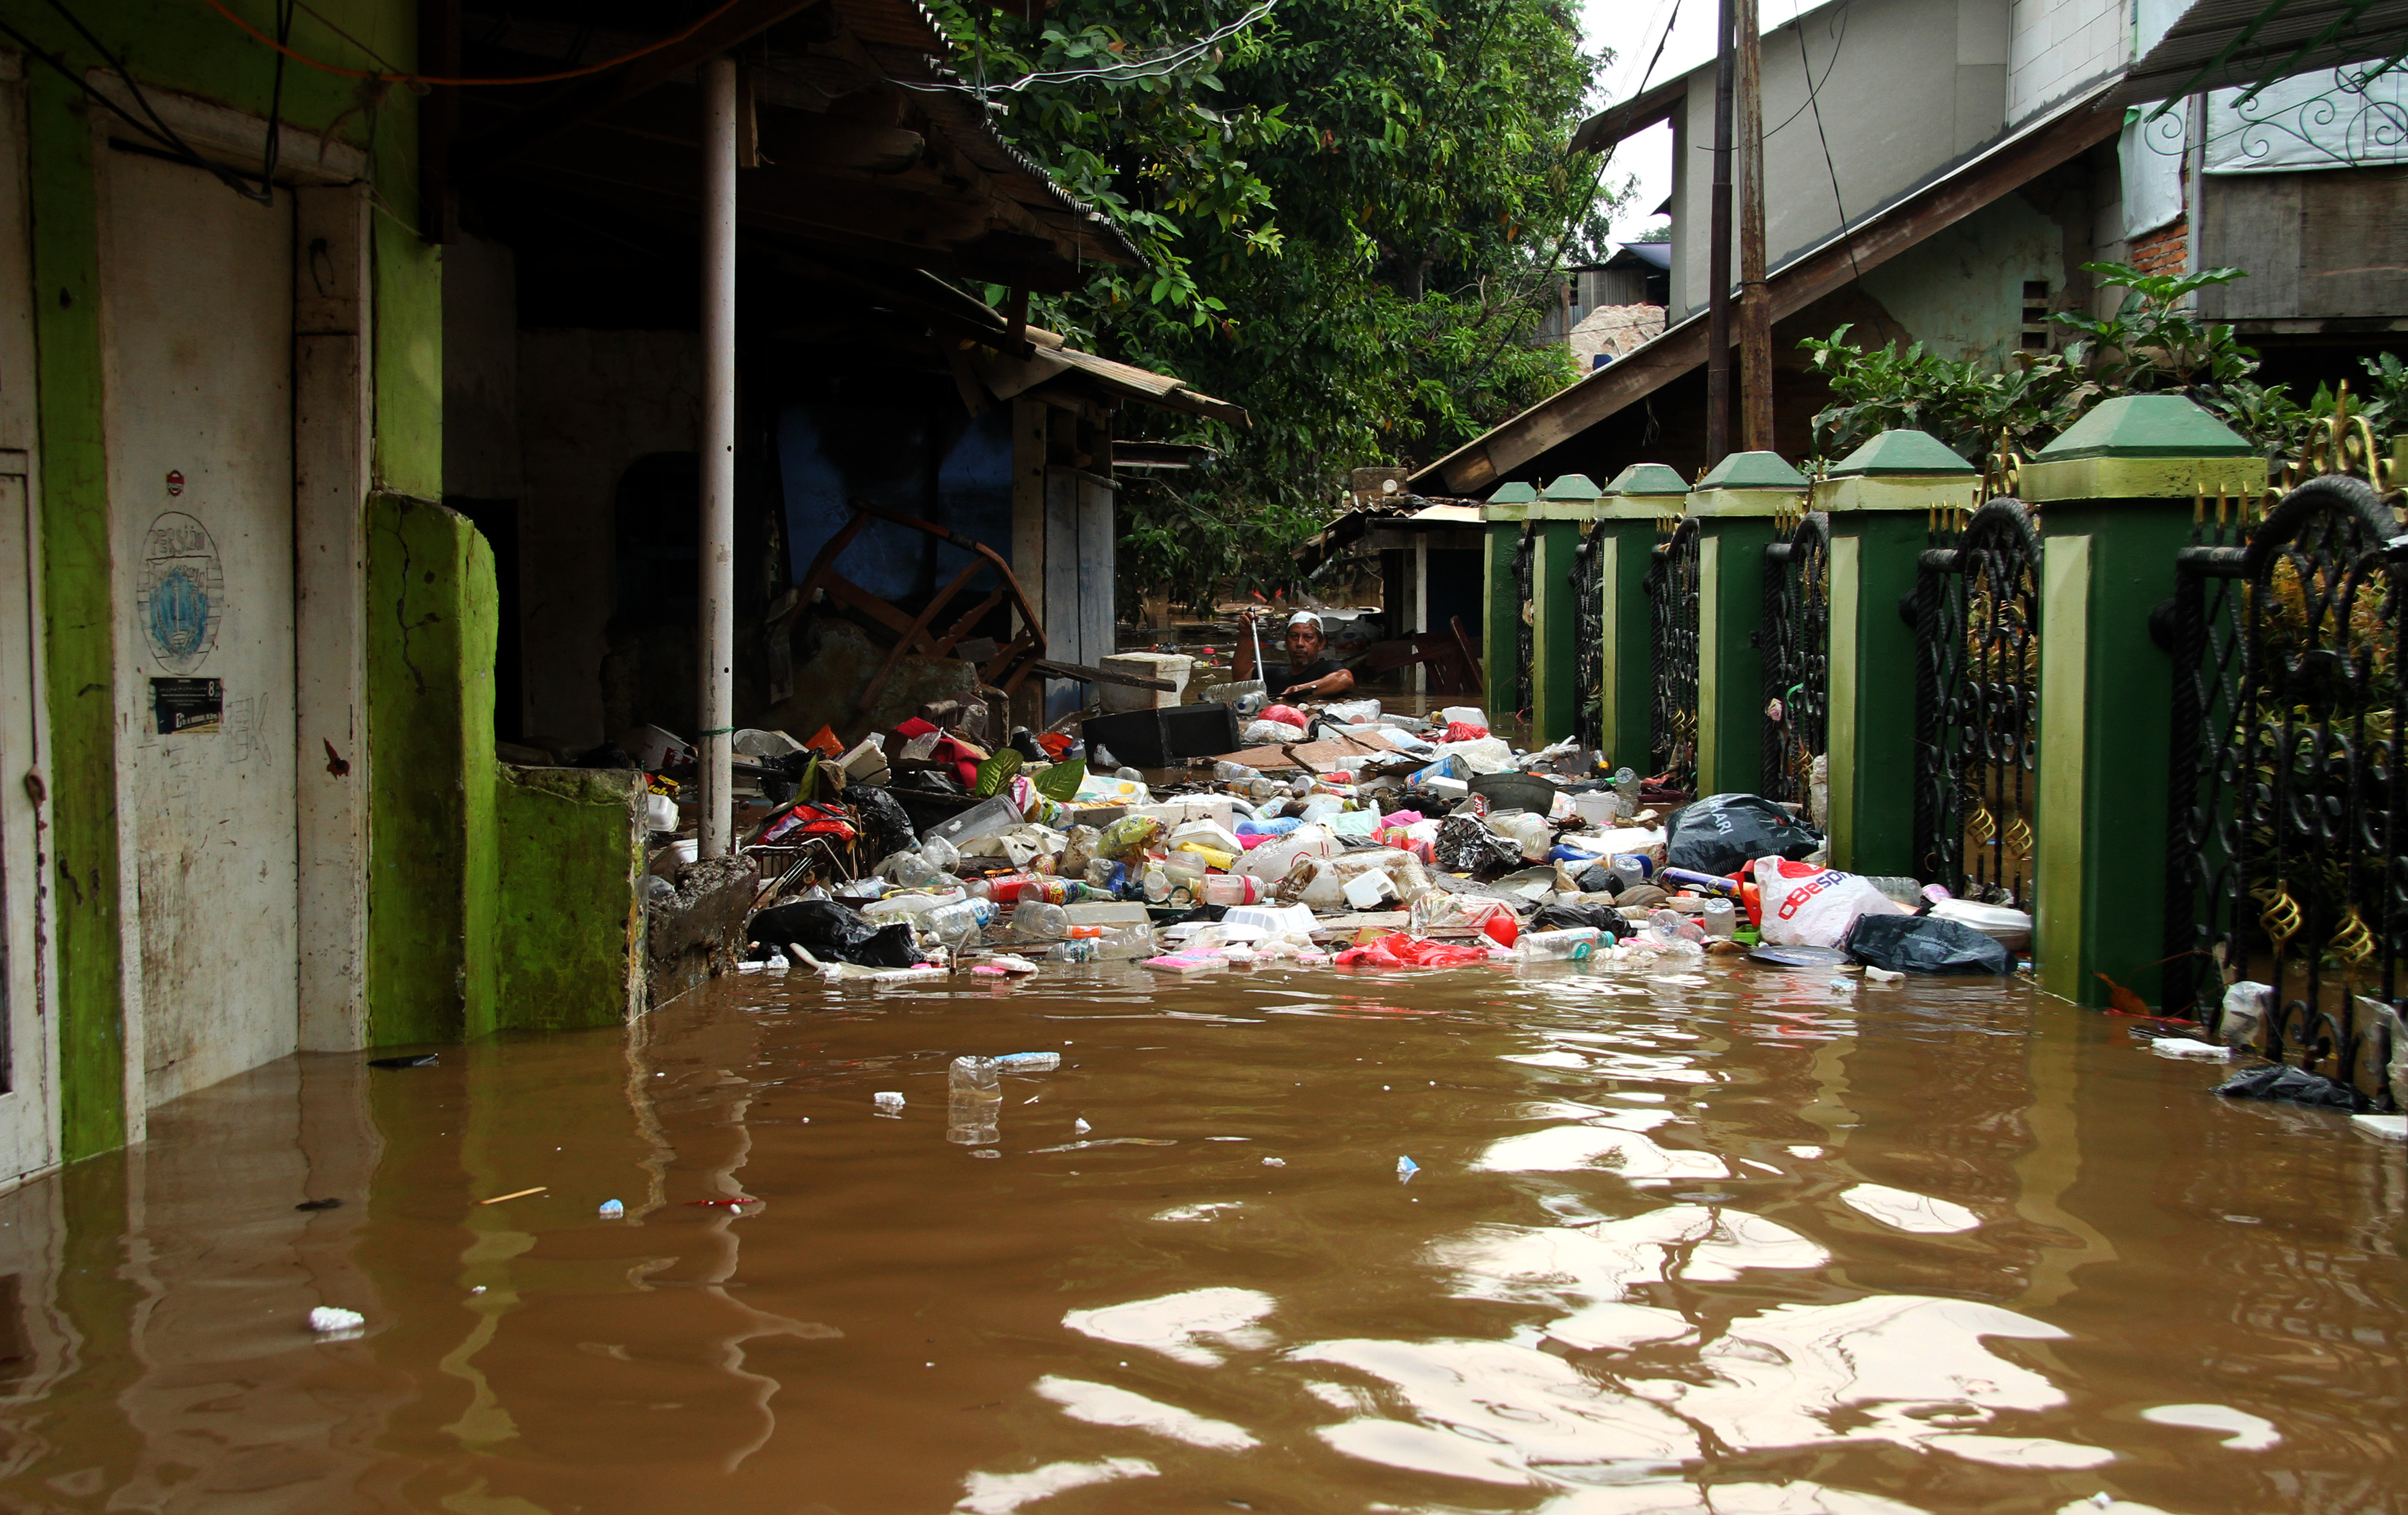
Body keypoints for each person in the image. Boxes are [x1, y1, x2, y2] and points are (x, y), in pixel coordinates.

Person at [1235, 609, 1356, 700]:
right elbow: (1242, 676)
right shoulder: (1277, 674)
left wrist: (1303, 690)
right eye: (1294, 637)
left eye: (1308, 638)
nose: (1300, 644)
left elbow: (1345, 679)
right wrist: (1245, 635)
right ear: (1286, 641)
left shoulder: (1327, 668)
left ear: (1321, 643)